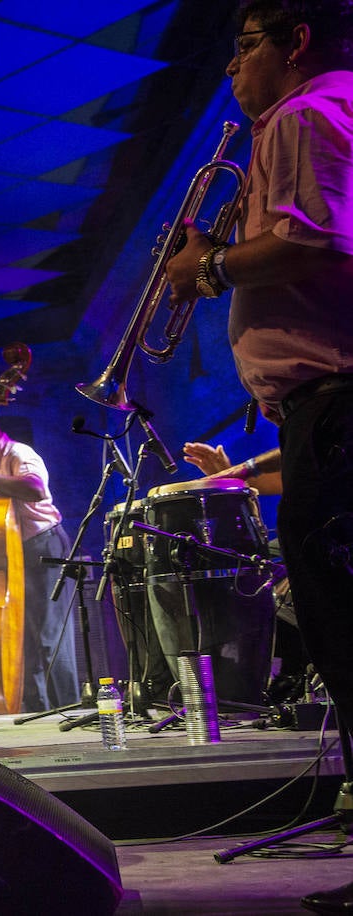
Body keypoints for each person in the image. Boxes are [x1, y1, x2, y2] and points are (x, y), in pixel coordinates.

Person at [161, 3, 353, 910]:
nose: (232, 69)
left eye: (243, 46)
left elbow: (315, 239)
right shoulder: (303, 119)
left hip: (337, 406)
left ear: (296, 39)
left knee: (343, 627)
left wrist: (208, 268)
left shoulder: (310, 115)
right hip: (320, 411)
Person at [0, 404, 77, 713]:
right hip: (15, 552)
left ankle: (71, 710)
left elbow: (35, 489)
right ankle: (39, 711)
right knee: (24, 639)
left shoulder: (18, 454)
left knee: (51, 635)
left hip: (44, 546)